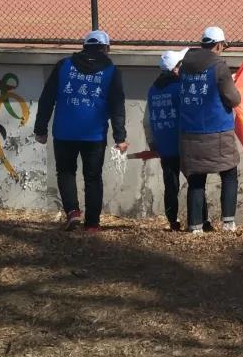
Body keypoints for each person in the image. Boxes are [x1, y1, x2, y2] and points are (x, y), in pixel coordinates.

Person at [34, 30, 127, 232]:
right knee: (93, 177)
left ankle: (73, 212)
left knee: (66, 172)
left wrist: (40, 129)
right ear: (106, 48)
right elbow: (117, 106)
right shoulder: (111, 71)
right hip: (94, 134)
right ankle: (92, 224)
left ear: (84, 47)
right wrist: (120, 137)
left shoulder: (63, 65)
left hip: (64, 132)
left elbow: (47, 98)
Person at [178, 26, 242, 234]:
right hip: (218, 131)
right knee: (229, 173)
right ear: (219, 45)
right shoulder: (219, 66)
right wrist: (232, 84)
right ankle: (228, 222)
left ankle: (195, 226)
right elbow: (233, 99)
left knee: (196, 180)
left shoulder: (185, 65)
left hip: (189, 131)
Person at [144, 49, 210, 231]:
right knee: (196, 183)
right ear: (175, 69)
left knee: (170, 185)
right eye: (182, 65)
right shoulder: (181, 87)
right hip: (185, 144)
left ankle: (173, 221)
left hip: (164, 146)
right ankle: (201, 221)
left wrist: (152, 142)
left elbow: (147, 120)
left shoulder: (153, 90)